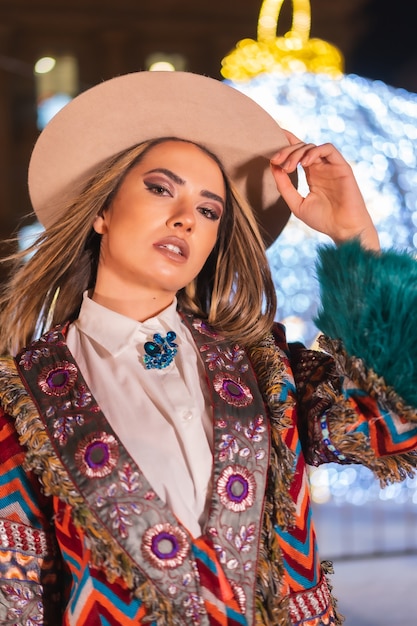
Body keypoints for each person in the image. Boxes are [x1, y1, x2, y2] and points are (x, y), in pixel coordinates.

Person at [0, 70, 416, 626]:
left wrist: (352, 233)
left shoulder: (264, 366)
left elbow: (395, 420)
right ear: (102, 211)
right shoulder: (23, 396)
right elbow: (17, 597)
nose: (184, 219)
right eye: (160, 188)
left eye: (209, 210)